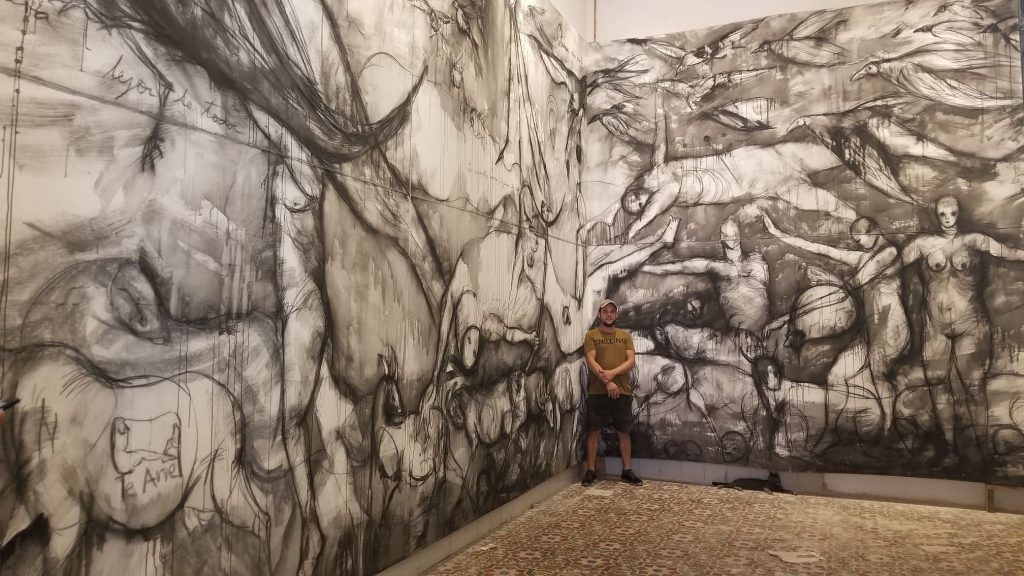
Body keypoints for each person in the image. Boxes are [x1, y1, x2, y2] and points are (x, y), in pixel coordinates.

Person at [900, 195, 1024, 476]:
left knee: (974, 388)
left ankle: (982, 451)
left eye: (952, 213)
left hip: (971, 324)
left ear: (959, 213)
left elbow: (1009, 252)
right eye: (942, 214)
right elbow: (889, 264)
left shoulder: (974, 240)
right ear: (936, 214)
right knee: (938, 386)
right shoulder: (922, 244)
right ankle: (951, 449)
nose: (947, 219)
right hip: (935, 327)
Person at [761, 212, 910, 433]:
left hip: (890, 327)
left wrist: (827, 279)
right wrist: (779, 233)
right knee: (837, 375)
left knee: (878, 373)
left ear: (874, 231)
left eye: (860, 240)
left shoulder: (890, 252)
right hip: (870, 330)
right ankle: (863, 421)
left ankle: (888, 429)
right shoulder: (863, 257)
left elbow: (860, 280)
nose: (858, 245)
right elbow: (822, 249)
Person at [582, 299, 643, 486]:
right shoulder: (591, 335)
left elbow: (630, 361)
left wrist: (612, 374)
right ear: (599, 314)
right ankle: (591, 470)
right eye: (605, 311)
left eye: (612, 311)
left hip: (622, 391)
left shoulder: (625, 336)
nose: (609, 315)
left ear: (616, 314)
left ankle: (627, 470)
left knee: (624, 431)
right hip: (597, 392)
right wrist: (607, 382)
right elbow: (591, 361)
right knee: (593, 430)